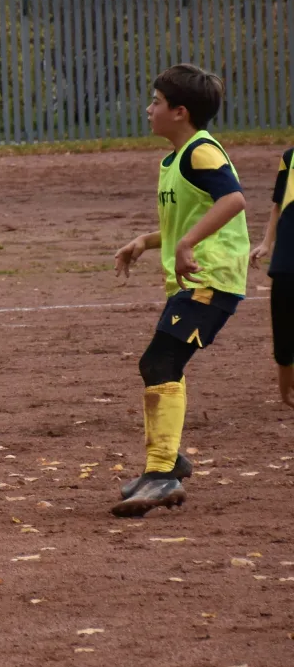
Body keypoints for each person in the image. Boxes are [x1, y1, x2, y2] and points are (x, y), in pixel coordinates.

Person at [111, 65, 249, 518]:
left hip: (211, 278)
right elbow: (190, 217)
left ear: (180, 112)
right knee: (161, 363)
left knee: (160, 361)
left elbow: (233, 199)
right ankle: (165, 463)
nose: (148, 109)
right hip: (195, 279)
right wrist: (147, 241)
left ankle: (162, 472)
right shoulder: (175, 159)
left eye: (156, 102)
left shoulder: (201, 151)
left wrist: (187, 244)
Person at [250, 142, 293, 408]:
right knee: (284, 325)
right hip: (288, 258)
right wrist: (267, 243)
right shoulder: (290, 157)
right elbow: (278, 205)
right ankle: (286, 385)